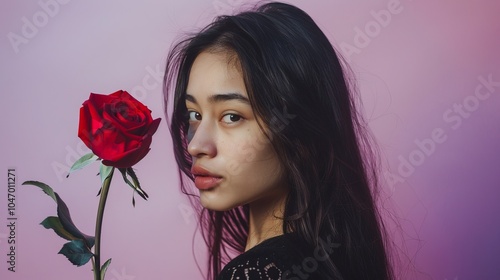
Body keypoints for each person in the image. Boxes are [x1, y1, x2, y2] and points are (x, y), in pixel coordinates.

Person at [163, 2, 394, 279]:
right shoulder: (325, 261)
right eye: (194, 114)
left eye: (232, 117)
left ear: (300, 131)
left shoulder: (256, 273)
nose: (196, 145)